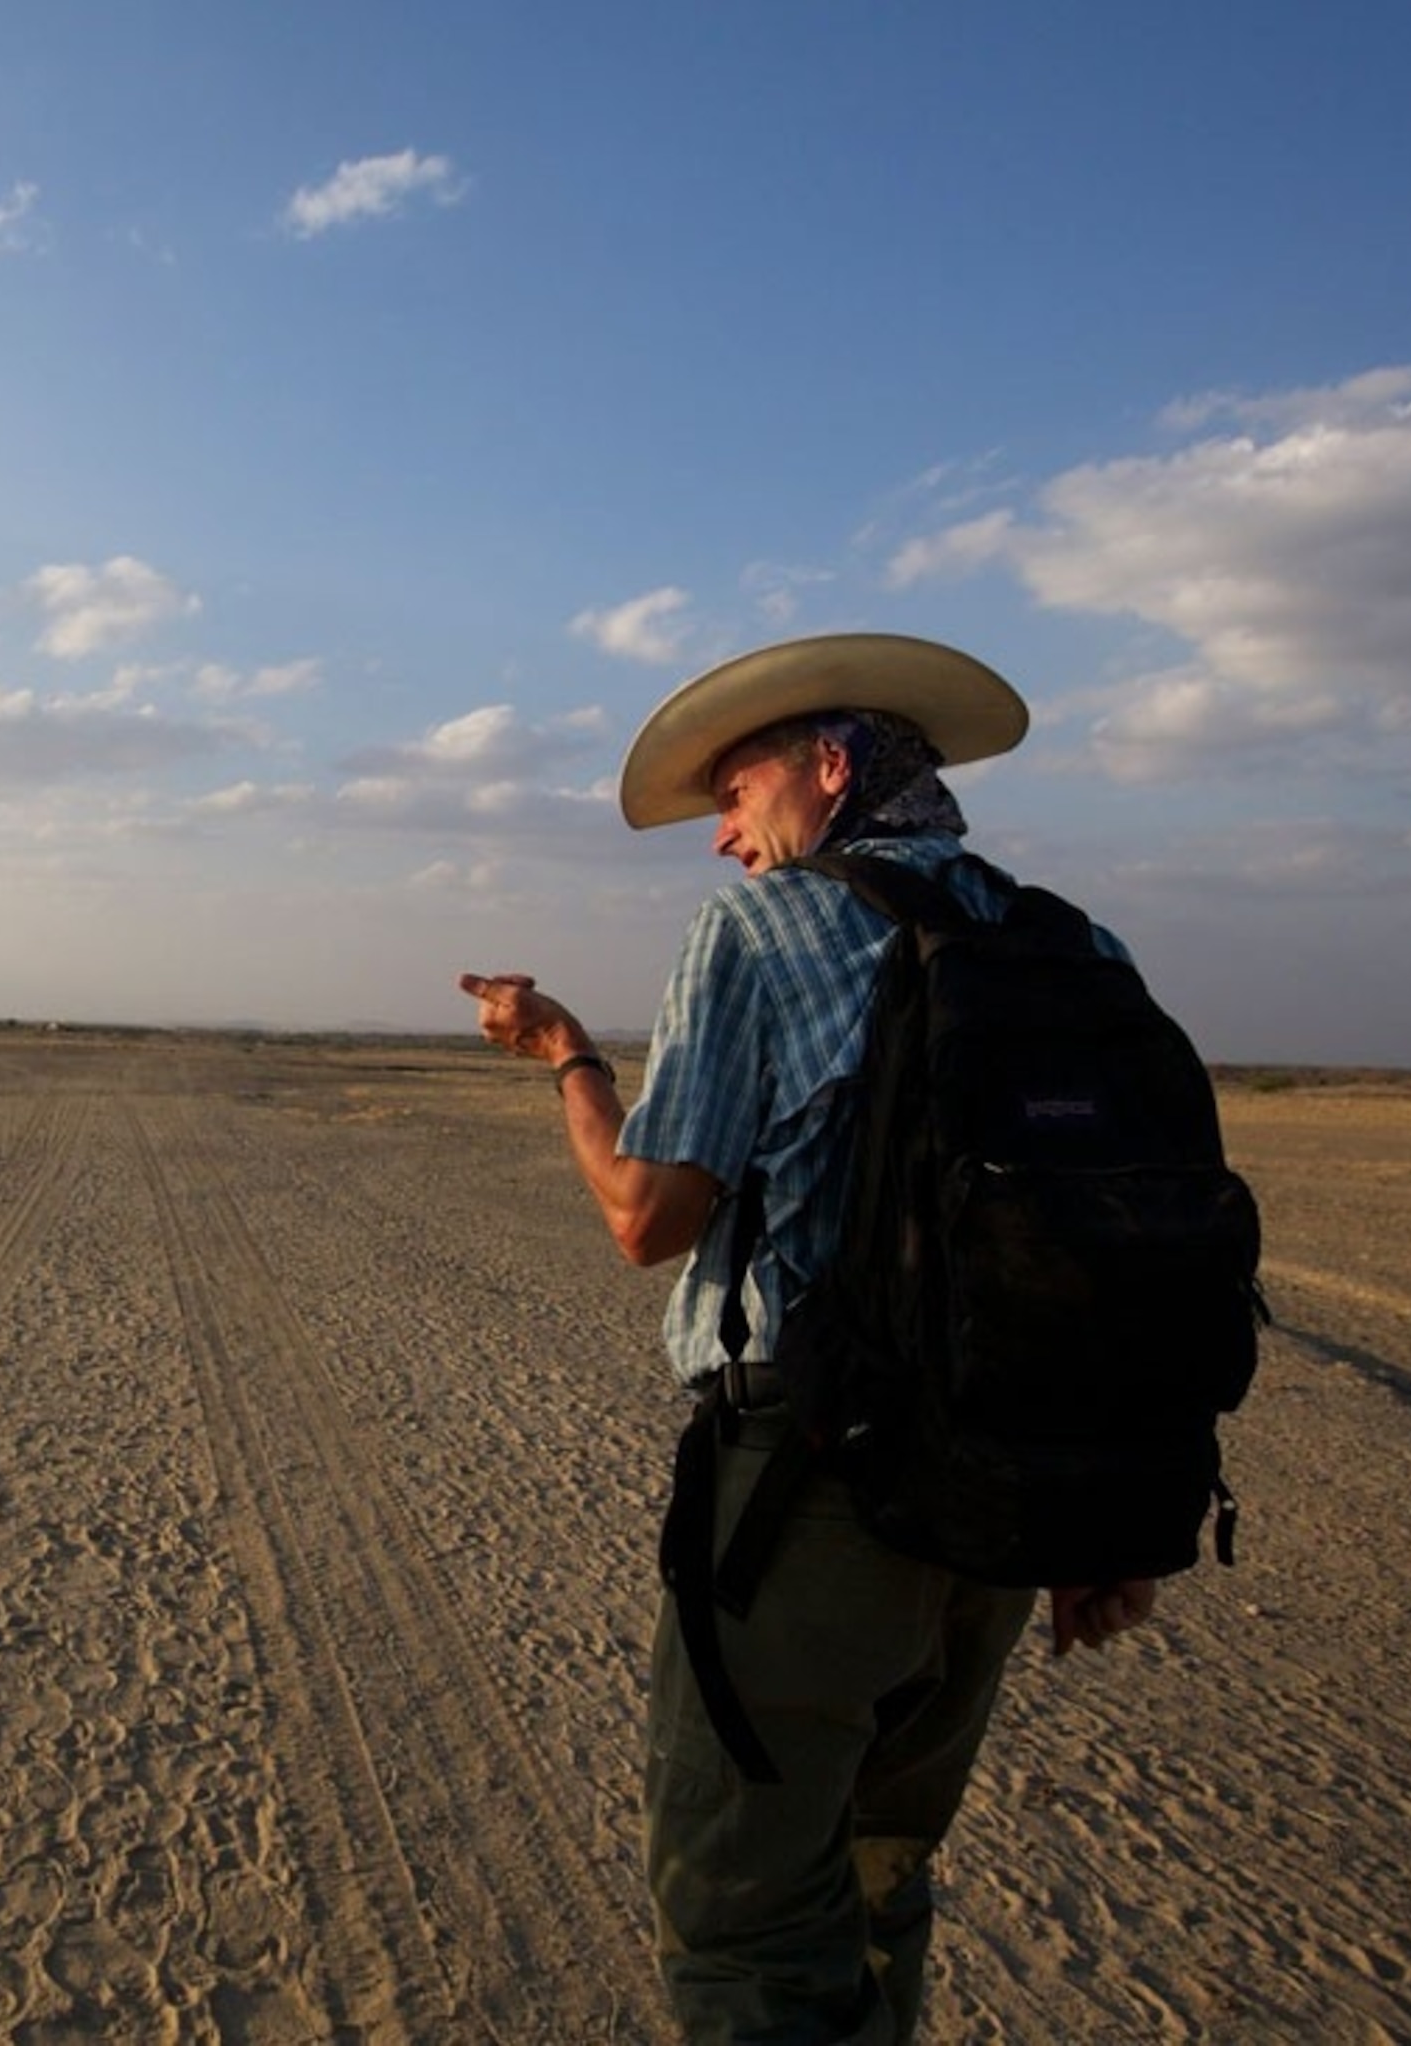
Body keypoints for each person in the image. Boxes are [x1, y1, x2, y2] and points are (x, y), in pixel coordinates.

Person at [458, 632, 1156, 2041]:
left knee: (744, 1920)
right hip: (1010, 1500)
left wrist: (570, 1062)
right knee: (882, 1869)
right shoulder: (1076, 944)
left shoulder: (760, 932)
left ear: (831, 770)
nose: (722, 836)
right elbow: (1108, 1241)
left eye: (736, 790)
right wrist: (1099, 1518)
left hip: (818, 1490)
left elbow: (647, 1216)